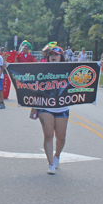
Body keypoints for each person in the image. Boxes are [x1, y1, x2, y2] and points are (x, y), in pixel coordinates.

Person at [35, 46, 69, 175]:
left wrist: (99, 66)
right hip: (45, 106)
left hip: (62, 106)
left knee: (61, 137)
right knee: (48, 134)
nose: (53, 56)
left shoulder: (68, 69)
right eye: (51, 54)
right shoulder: (42, 70)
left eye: (56, 54)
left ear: (61, 57)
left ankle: (57, 155)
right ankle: (50, 163)